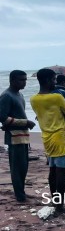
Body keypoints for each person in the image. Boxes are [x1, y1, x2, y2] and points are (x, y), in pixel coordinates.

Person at [30, 68, 65, 214]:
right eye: (54, 80)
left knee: (52, 170)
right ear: (48, 80)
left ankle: (55, 200)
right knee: (61, 173)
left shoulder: (33, 99)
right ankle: (60, 206)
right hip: (60, 137)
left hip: (46, 138)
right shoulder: (57, 97)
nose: (56, 82)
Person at [0, 70, 36, 202]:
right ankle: (20, 196)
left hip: (23, 135)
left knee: (23, 166)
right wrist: (25, 122)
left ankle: (21, 192)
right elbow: (2, 117)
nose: (24, 82)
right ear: (12, 80)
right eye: (21, 80)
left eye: (25, 79)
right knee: (17, 167)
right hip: (14, 137)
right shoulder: (6, 96)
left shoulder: (19, 95)